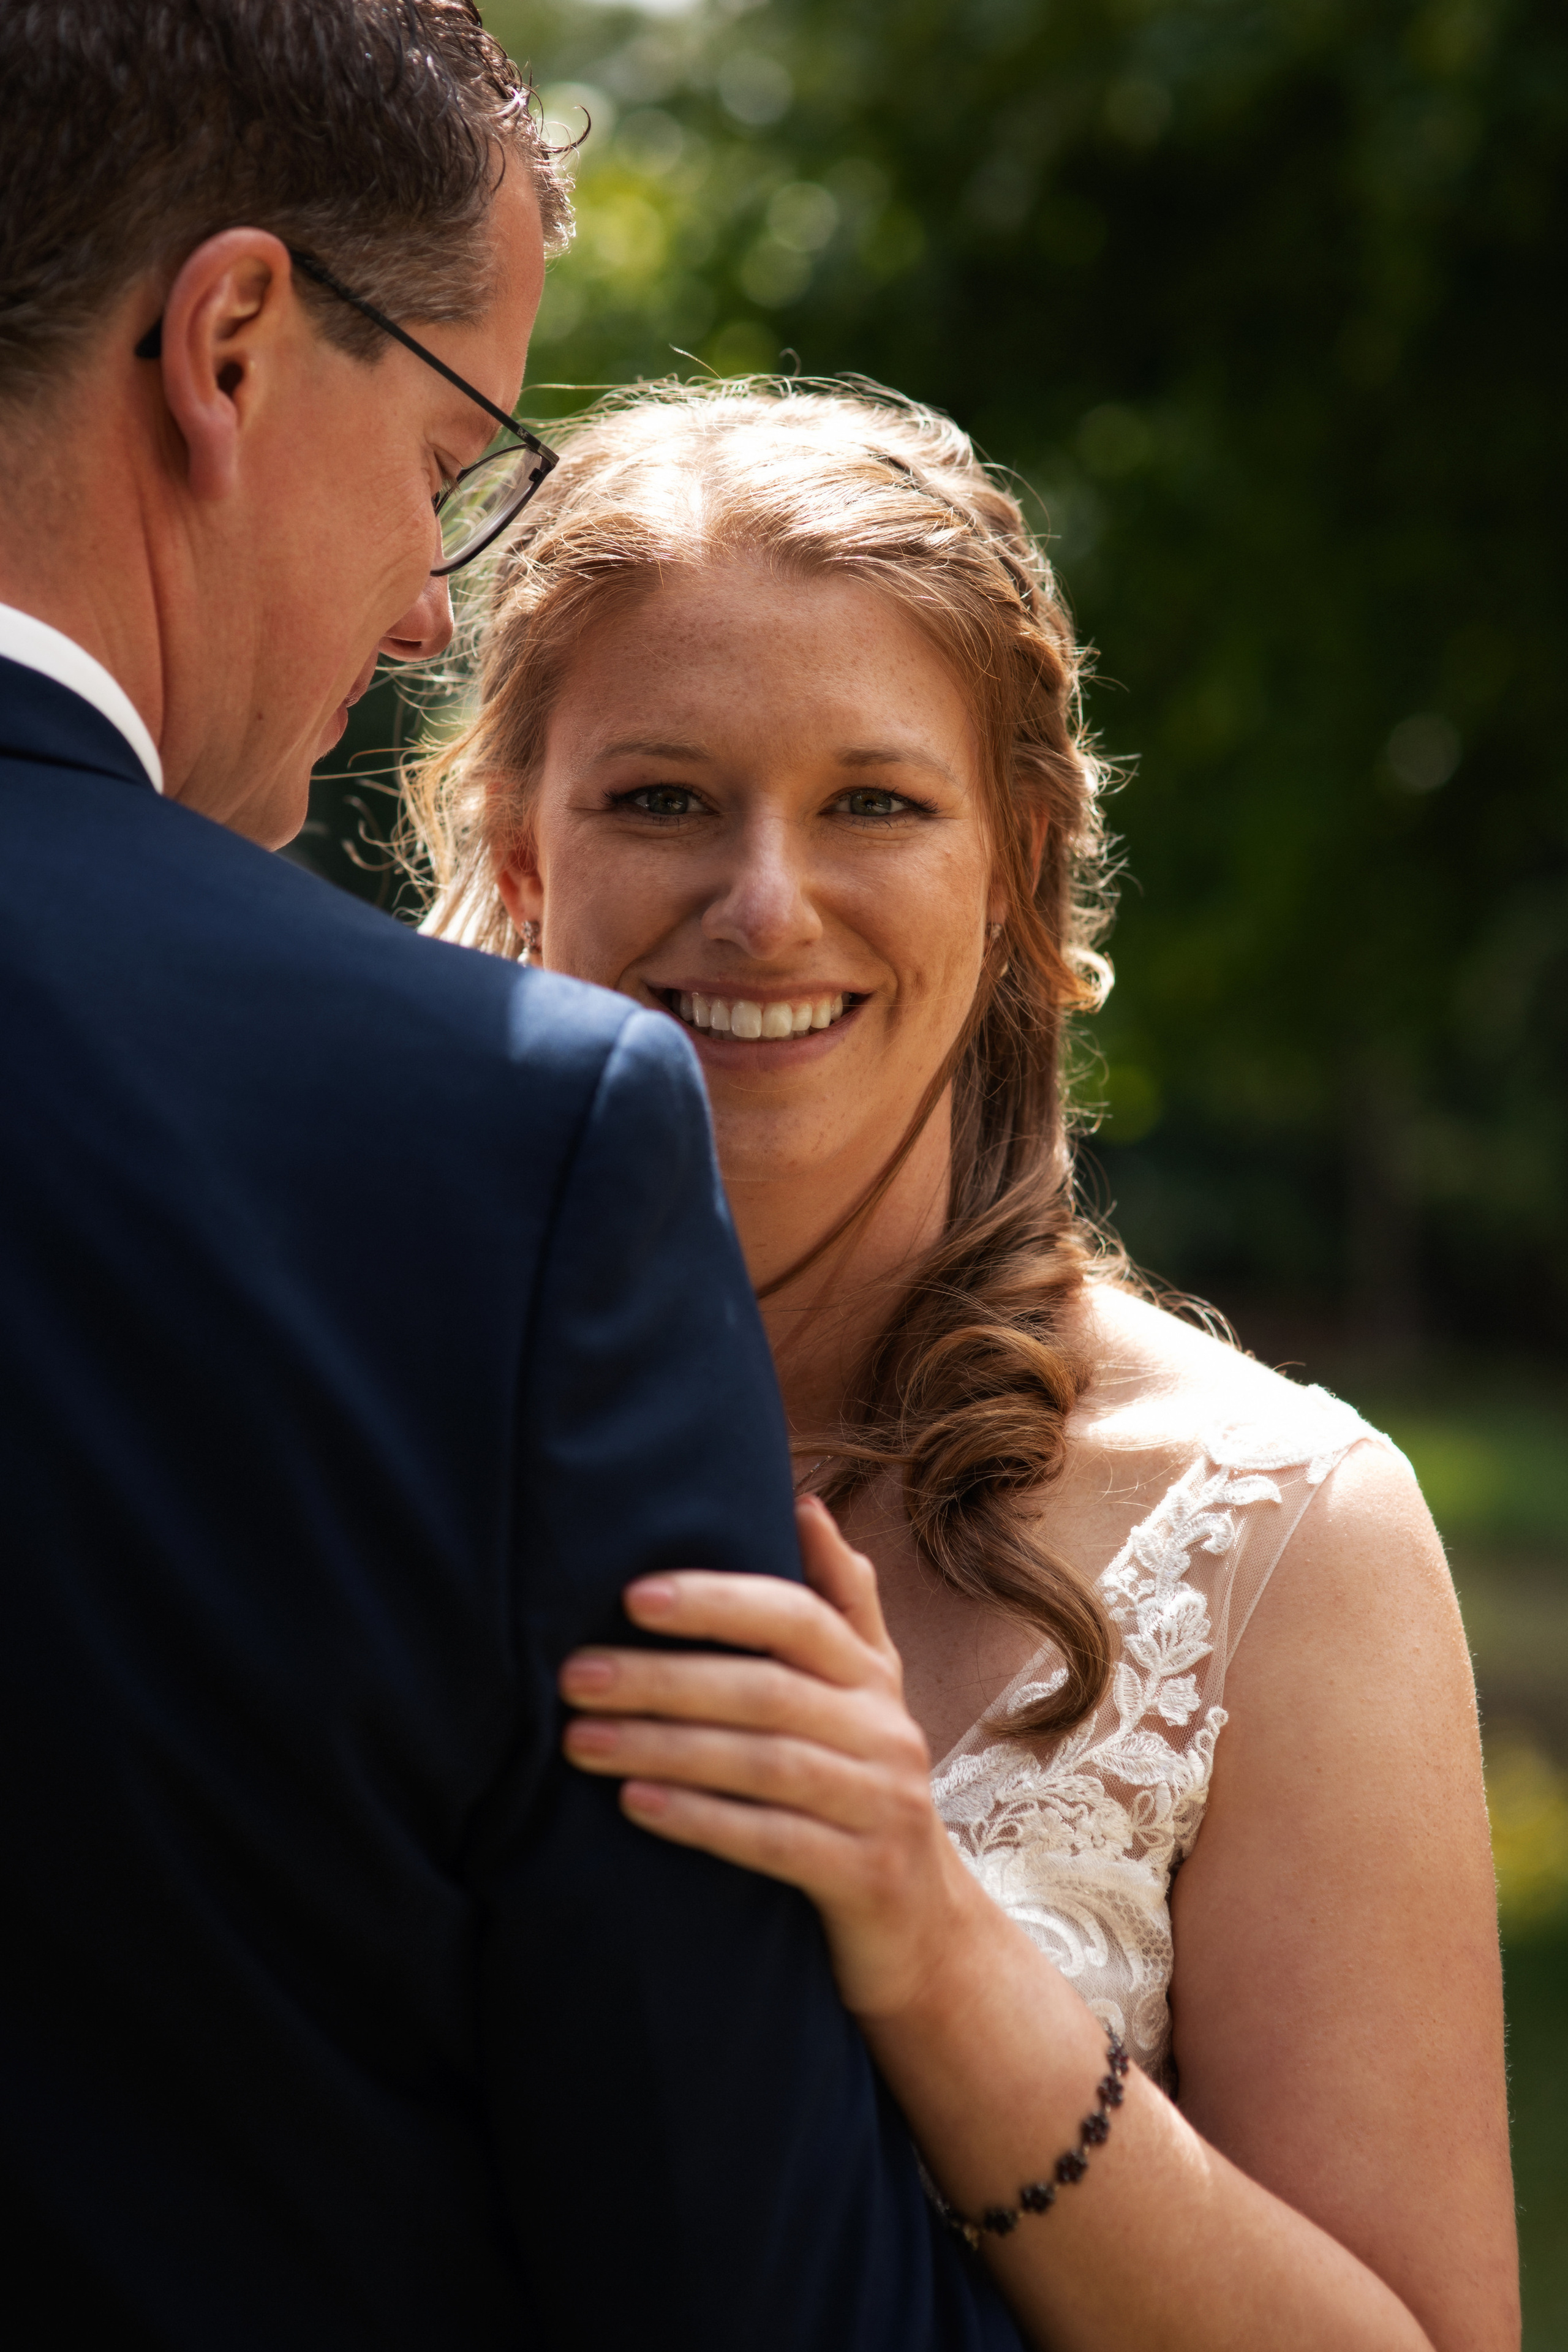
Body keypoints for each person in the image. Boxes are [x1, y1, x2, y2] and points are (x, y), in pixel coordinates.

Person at [0, 10, 1027, 2349]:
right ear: (231, 343)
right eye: (451, 455)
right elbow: (735, 2272)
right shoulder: (499, 1145)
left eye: (876, 802)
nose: (421, 606)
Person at [413, 378, 1521, 2351]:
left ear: (1013, 867)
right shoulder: (361, 1421)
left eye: (875, 803)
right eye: (662, 798)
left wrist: (925, 1934)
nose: (765, 902)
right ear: (516, 845)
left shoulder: (1281, 1533)